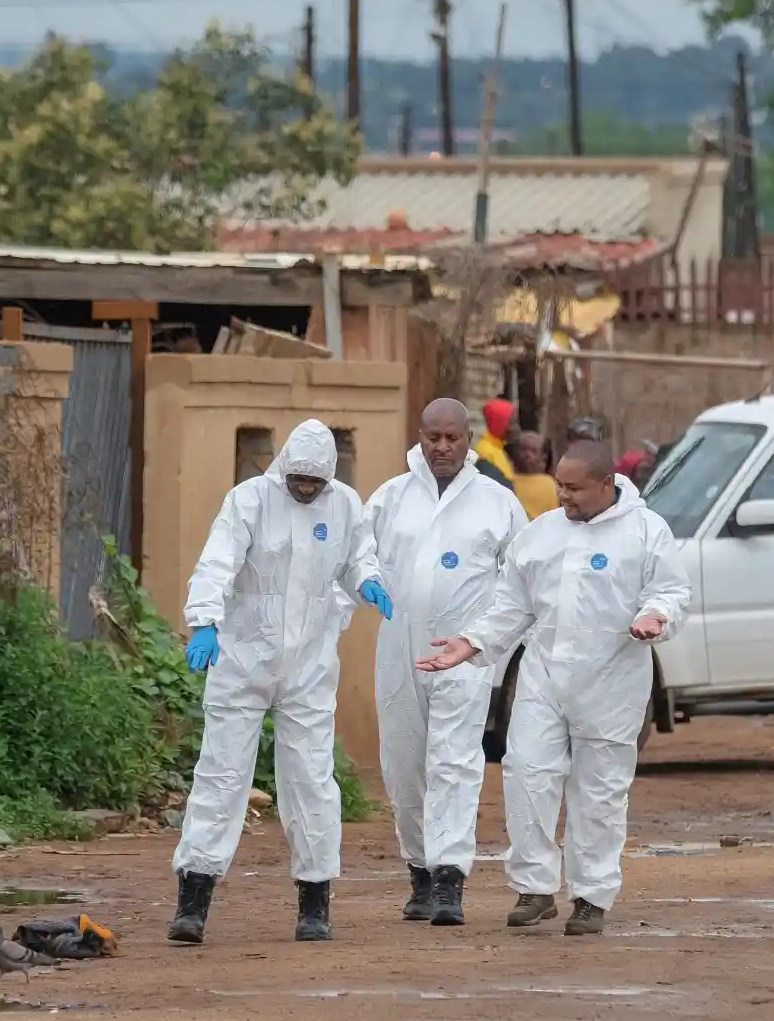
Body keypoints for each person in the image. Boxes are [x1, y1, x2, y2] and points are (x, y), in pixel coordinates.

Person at [415, 441, 690, 936]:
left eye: (574, 488)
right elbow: (511, 607)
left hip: (613, 680)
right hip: (544, 676)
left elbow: (670, 591)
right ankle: (535, 888)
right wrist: (471, 643)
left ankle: (590, 897)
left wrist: (656, 616)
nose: (562, 495)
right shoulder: (540, 535)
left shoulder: (647, 531)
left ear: (607, 484)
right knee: (527, 774)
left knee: (599, 791)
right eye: (559, 485)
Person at [170, 419, 393, 946]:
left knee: (311, 781)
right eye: (299, 480)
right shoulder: (249, 501)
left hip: (309, 666)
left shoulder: (344, 506)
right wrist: (204, 620)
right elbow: (216, 564)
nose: (306, 489)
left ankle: (315, 902)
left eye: (315, 483)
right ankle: (193, 900)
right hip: (243, 658)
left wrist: (370, 581)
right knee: (222, 776)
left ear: (329, 478)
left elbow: (357, 559)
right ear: (285, 468)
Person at [366, 399, 529, 928]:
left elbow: (522, 578)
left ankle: (448, 881)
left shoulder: (496, 502)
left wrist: (489, 639)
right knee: (404, 765)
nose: (442, 447)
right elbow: (354, 559)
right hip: (399, 650)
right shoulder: (390, 499)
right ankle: (419, 869)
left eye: (452, 438)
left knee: (456, 763)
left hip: (464, 654)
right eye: (432, 437)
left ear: (468, 440)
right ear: (420, 436)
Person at [509, 431, 561, 521]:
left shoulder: (550, 484)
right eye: (524, 449)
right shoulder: (506, 477)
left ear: (543, 456)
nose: (527, 455)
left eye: (533, 451)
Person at [476, 398, 516, 479]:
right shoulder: (485, 451)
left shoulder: (498, 447)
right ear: (498, 424)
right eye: (511, 423)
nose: (514, 428)